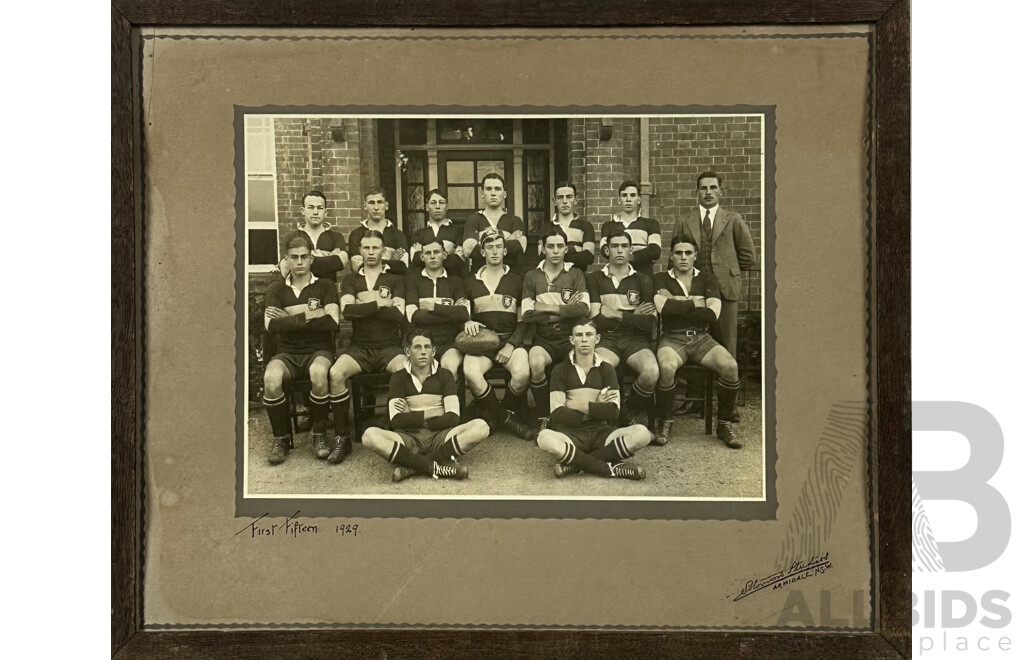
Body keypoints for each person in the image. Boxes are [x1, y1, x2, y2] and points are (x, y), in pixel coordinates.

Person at [361, 329, 490, 482]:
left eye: (427, 347)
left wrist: (412, 416)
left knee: (482, 427)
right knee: (369, 435)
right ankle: (436, 465)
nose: (423, 352)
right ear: (408, 351)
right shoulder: (398, 377)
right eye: (417, 347)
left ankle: (412, 466)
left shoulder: (445, 375)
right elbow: (396, 421)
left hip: (440, 436)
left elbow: (453, 418)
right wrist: (437, 411)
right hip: (409, 438)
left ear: (433, 351)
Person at [652, 235, 743, 449]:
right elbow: (662, 308)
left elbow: (712, 315)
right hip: (673, 337)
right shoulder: (661, 279)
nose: (683, 257)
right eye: (678, 253)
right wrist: (697, 302)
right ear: (671, 256)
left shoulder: (708, 279)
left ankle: (724, 424)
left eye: (688, 253)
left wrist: (677, 303)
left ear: (695, 256)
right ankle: (665, 421)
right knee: (666, 366)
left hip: (702, 338)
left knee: (730, 366)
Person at [327, 230, 408, 463]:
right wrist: (380, 303)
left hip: (389, 347)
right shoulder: (351, 280)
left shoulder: (395, 279)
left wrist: (364, 304)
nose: (371, 252)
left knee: (405, 370)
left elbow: (399, 314)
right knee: (335, 373)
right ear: (359, 251)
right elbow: (348, 312)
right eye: (366, 248)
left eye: (375, 248)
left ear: (384, 251)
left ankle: (395, 429)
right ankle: (343, 438)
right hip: (359, 347)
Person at [536, 320, 652, 480]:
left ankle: (574, 464)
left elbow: (613, 413)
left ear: (597, 339)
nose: (584, 339)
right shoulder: (560, 370)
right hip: (571, 434)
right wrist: (596, 407)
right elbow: (557, 414)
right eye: (579, 335)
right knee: (544, 438)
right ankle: (608, 468)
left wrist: (578, 405)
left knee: (643, 433)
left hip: (601, 433)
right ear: (572, 340)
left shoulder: (607, 369)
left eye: (589, 335)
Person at [261, 233, 340, 464]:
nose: (299, 262)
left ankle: (319, 435)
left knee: (318, 373)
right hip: (287, 352)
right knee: (271, 378)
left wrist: (290, 316)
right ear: (287, 259)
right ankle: (281, 439)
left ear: (311, 259)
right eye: (293, 257)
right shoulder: (276, 289)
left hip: (319, 349)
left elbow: (332, 322)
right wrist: (313, 314)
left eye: (304, 257)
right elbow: (272, 326)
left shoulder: (325, 286)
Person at [671, 171, 756, 359]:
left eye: (713, 188)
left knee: (726, 342)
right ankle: (696, 388)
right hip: (693, 290)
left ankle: (727, 386)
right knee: (692, 339)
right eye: (703, 188)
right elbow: (675, 255)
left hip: (725, 289)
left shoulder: (733, 219)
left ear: (721, 191)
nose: (708, 192)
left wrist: (727, 271)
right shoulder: (684, 220)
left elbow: (748, 256)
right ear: (697, 192)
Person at [461, 229, 535, 440]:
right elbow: (463, 316)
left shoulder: (518, 280)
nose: (495, 251)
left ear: (505, 250)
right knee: (471, 372)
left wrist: (511, 345)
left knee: (522, 373)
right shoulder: (470, 281)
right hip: (480, 342)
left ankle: (494, 414)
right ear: (482, 251)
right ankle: (506, 419)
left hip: (509, 340)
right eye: (490, 247)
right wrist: (468, 322)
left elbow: (524, 321)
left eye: (499, 247)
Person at [586, 226, 659, 425]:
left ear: (631, 250)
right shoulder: (594, 278)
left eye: (624, 246)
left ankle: (626, 412)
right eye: (615, 246)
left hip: (635, 340)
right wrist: (631, 314)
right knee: (598, 369)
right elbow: (596, 319)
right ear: (607, 250)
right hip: (607, 338)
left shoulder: (643, 280)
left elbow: (649, 322)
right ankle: (615, 416)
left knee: (651, 372)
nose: (619, 250)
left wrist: (616, 313)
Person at [522, 227, 590, 420]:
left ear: (566, 249)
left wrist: (546, 307)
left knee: (579, 367)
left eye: (560, 246)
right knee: (535, 363)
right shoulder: (531, 276)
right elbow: (527, 314)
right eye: (551, 246)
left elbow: (584, 309)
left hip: (570, 336)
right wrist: (566, 309)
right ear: (543, 248)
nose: (556, 250)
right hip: (543, 337)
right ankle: (545, 416)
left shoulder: (575, 274)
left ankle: (572, 415)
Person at [405, 237, 470, 378]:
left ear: (445, 255)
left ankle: (453, 401)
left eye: (436, 252)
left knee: (449, 367)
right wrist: (450, 313)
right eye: (428, 253)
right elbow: (413, 316)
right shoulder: (413, 281)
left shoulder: (456, 282)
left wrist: (434, 307)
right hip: (422, 342)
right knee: (421, 371)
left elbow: (464, 313)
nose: (433, 256)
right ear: (422, 257)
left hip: (450, 341)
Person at [461, 173, 527, 275]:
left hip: (509, 276)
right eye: (488, 189)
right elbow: (468, 249)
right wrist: (506, 237)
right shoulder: (473, 219)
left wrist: (482, 239)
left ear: (504, 194)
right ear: (482, 193)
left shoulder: (515, 220)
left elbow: (520, 247)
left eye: (497, 189)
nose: (493, 193)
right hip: (480, 276)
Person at [278, 190, 349, 282]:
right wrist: (327, 257)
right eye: (311, 207)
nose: (315, 212)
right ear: (303, 210)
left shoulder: (336, 237)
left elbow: (340, 263)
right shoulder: (291, 237)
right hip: (300, 291)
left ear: (326, 212)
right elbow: (285, 268)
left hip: (327, 291)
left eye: (320, 208)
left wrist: (304, 257)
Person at [598, 180, 662, 279]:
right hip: (616, 278)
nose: (628, 199)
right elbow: (605, 251)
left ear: (639, 199)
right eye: (624, 195)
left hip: (644, 277)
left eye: (632, 195)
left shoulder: (651, 224)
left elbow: (655, 250)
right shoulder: (608, 226)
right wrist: (640, 253)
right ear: (619, 200)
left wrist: (625, 256)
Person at [534, 181, 595, 271]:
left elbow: (588, 257)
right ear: (554, 201)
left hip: (578, 279)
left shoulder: (585, 226)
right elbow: (542, 256)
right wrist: (575, 248)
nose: (565, 201)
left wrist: (556, 256)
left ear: (575, 200)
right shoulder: (546, 228)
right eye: (560, 197)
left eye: (569, 197)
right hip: (552, 279)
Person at [348, 188, 409, 274]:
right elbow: (357, 268)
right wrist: (392, 260)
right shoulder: (356, 234)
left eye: (380, 202)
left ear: (386, 205)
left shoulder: (398, 235)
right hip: (365, 286)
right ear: (365, 206)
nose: (376, 208)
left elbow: (403, 268)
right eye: (371, 203)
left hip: (392, 285)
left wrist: (369, 260)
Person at [410, 188, 466, 277]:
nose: (437, 206)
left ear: (447, 206)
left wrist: (424, 251)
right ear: (427, 207)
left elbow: (459, 262)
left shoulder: (459, 231)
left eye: (441, 202)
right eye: (433, 203)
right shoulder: (418, 234)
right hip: (426, 284)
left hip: (452, 283)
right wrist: (447, 251)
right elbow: (416, 261)